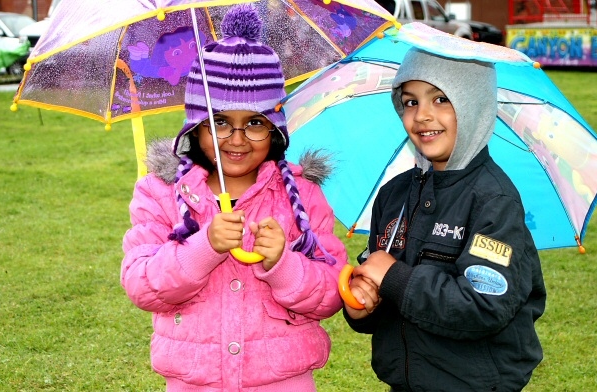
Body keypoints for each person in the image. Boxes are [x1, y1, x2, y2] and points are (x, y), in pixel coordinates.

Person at [120, 5, 348, 391]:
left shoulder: (301, 195)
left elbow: (330, 293)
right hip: (195, 382)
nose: (237, 139)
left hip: (282, 381)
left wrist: (284, 263)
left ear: (275, 127)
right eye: (220, 122)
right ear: (195, 125)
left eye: (255, 123)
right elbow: (143, 285)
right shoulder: (160, 193)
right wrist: (202, 247)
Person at [343, 48, 547, 391]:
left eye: (440, 99)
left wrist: (393, 276)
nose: (422, 115)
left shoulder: (493, 200)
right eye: (410, 102)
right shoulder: (394, 195)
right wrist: (363, 306)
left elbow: (484, 305)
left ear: (472, 106)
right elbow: (382, 288)